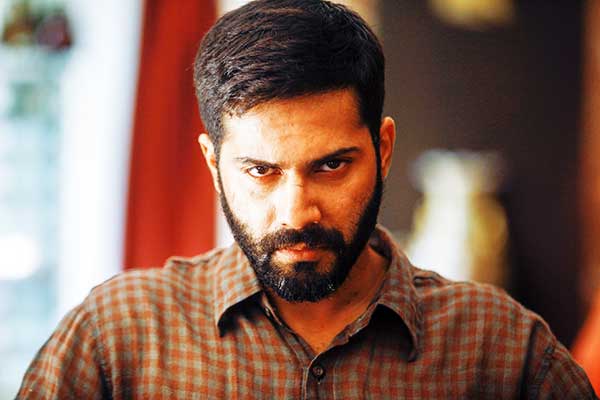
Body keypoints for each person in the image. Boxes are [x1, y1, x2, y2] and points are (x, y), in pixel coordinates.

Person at [17, 0, 597, 398]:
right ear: (213, 165)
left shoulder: (502, 348)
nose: (297, 213)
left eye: (332, 165)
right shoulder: (115, 337)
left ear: (383, 150)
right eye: (260, 171)